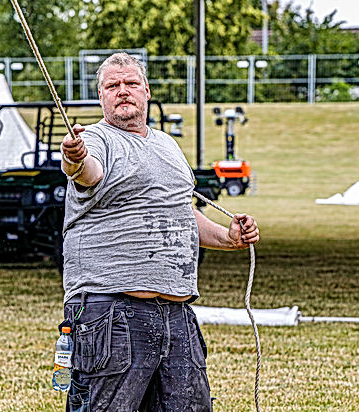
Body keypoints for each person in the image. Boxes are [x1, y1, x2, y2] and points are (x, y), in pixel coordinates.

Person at [60, 53, 259, 412]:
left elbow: (180, 212)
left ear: (147, 91)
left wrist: (228, 237)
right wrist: (74, 157)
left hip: (176, 312)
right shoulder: (96, 139)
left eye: (131, 83)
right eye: (112, 85)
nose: (123, 91)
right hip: (111, 311)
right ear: (101, 96)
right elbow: (87, 172)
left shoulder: (167, 145)